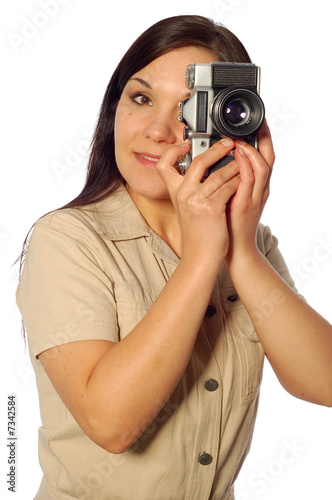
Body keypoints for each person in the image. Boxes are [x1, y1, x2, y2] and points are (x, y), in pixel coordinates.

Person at [16, 14, 332, 500]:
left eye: (190, 109)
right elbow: (111, 423)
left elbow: (324, 382)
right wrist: (202, 259)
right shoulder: (68, 239)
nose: (159, 130)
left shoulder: (251, 243)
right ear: (113, 109)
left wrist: (240, 252)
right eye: (141, 98)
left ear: (232, 120)